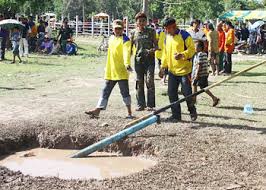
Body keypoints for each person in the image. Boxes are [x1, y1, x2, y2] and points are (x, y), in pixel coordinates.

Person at [85, 19, 133, 118]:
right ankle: (97, 110)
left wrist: (127, 64)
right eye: (116, 29)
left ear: (123, 29)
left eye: (120, 29)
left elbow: (126, 53)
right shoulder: (111, 38)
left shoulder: (126, 40)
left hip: (121, 71)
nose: (118, 30)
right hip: (111, 71)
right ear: (112, 29)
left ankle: (129, 113)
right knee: (105, 90)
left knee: (125, 92)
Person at [160, 17, 197, 121]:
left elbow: (192, 50)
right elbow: (165, 54)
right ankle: (176, 115)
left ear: (174, 26)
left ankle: (192, 110)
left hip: (185, 71)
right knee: (172, 93)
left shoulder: (185, 36)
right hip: (172, 71)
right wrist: (163, 67)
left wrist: (182, 55)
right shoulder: (167, 38)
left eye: (167, 29)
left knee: (187, 93)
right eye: (165, 29)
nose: (166, 31)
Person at [130, 12, 157, 111]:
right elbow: (129, 47)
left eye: (143, 21)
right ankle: (140, 104)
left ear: (146, 21)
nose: (141, 23)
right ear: (136, 22)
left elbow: (156, 45)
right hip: (138, 61)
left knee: (149, 81)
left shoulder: (151, 31)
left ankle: (150, 105)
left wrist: (153, 50)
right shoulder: (133, 32)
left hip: (149, 60)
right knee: (139, 82)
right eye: (139, 21)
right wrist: (127, 62)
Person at [192, 41, 220, 107]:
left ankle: (214, 98)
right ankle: (194, 100)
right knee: (194, 85)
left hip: (200, 74)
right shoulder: (198, 54)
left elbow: (199, 65)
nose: (194, 48)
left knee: (203, 88)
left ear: (200, 47)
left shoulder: (200, 54)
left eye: (195, 46)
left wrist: (196, 75)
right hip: (200, 74)